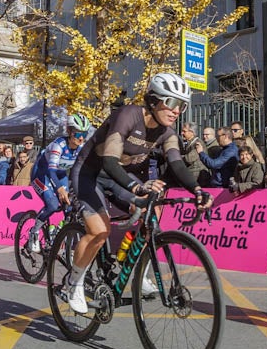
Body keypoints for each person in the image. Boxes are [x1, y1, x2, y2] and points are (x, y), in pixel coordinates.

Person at [61, 74, 210, 316]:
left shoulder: (167, 132)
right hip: (90, 174)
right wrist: (136, 188)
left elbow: (177, 163)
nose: (177, 111)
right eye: (172, 103)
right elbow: (109, 161)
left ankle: (137, 271)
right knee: (99, 230)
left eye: (182, 105)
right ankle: (73, 282)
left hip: (119, 178)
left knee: (153, 212)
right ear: (153, 100)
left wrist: (198, 190)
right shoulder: (127, 116)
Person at [32, 114, 91, 224]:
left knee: (69, 207)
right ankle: (34, 230)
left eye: (84, 134)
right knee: (53, 205)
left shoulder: (82, 148)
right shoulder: (58, 145)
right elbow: (51, 171)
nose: (81, 138)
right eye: (78, 134)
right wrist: (59, 189)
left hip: (60, 174)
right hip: (42, 174)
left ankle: (64, 231)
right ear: (69, 131)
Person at [200, 125, 240, 189]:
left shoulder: (231, 151)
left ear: (225, 136)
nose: (217, 138)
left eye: (218, 136)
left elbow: (214, 164)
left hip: (223, 186)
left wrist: (201, 153)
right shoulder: (224, 149)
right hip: (218, 184)